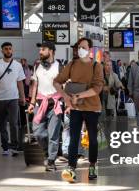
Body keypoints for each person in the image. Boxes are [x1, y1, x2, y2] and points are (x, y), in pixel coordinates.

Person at [54, 38, 104, 183]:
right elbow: (57, 81)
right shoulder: (72, 64)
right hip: (75, 107)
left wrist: (78, 95)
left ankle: (93, 165)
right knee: (73, 139)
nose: (80, 49)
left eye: (83, 47)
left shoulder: (96, 66)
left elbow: (97, 88)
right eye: (78, 47)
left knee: (93, 140)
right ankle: (71, 167)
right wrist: (65, 96)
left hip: (92, 108)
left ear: (90, 49)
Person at [28, 42, 63, 172]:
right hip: (39, 103)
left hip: (55, 103)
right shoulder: (37, 65)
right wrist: (32, 103)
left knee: (53, 133)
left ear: (51, 51)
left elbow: (64, 86)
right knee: (38, 132)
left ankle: (51, 161)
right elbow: (34, 85)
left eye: (43, 49)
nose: (40, 51)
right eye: (40, 49)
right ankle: (47, 152)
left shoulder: (60, 66)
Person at [0, 42, 26, 156]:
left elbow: (20, 82)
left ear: (12, 50)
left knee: (14, 123)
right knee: (2, 124)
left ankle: (14, 145)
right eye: (6, 49)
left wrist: (22, 96)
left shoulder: (17, 65)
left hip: (13, 98)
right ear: (2, 51)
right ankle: (5, 147)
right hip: (0, 99)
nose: (8, 51)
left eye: (10, 49)